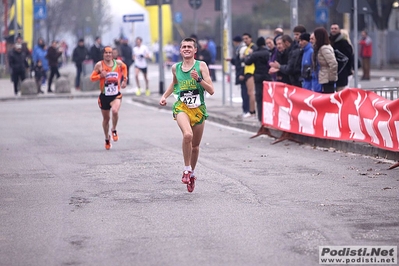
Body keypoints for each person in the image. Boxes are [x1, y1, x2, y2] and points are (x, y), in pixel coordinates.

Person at [159, 37, 215, 193]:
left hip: (198, 108)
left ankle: (192, 173)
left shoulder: (201, 66)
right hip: (182, 107)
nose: (186, 49)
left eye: (190, 46)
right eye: (184, 46)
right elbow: (174, 83)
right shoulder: (175, 67)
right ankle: (186, 169)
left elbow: (211, 90)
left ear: (195, 50)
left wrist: (199, 79)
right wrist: (165, 96)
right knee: (187, 135)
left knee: (195, 146)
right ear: (180, 50)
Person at [90, 46, 128, 150]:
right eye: (106, 53)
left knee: (115, 111)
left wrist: (125, 79)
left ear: (112, 54)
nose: (108, 54)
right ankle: (107, 138)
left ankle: (114, 129)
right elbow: (92, 78)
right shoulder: (99, 65)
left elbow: (124, 67)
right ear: (103, 54)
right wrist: (100, 76)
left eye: (110, 53)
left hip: (115, 94)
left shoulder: (118, 63)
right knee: (106, 119)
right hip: (104, 95)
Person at [244, 37, 272, 123]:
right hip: (268, 76)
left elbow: (247, 62)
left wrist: (248, 55)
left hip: (258, 77)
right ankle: (269, 116)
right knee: (268, 97)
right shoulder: (268, 53)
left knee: (259, 97)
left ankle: (260, 117)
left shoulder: (255, 54)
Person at [226, 35, 250, 117]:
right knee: (244, 93)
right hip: (241, 72)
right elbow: (238, 62)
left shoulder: (242, 49)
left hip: (243, 74)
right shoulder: (240, 49)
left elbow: (242, 63)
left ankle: (247, 110)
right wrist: (232, 60)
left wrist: (242, 74)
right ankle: (245, 110)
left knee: (245, 93)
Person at [313, 27, 338, 93]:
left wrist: (331, 78)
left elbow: (333, 63)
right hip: (324, 77)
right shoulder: (321, 48)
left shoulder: (324, 49)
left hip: (327, 79)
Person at [329, 23, 353, 91]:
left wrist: (348, 70)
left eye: (335, 28)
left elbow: (349, 58)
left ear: (339, 30)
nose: (333, 30)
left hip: (342, 73)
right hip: (330, 75)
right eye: (332, 28)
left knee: (340, 94)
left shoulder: (344, 43)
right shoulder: (328, 41)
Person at [241, 33, 257, 118]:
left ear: (251, 38)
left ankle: (252, 111)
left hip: (252, 72)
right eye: (244, 39)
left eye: (246, 38)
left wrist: (246, 56)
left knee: (251, 93)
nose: (245, 40)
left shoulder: (253, 48)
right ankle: (251, 111)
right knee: (249, 92)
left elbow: (250, 59)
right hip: (247, 72)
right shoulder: (247, 48)